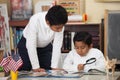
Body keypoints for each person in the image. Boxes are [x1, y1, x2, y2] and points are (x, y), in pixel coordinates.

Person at [17, 5, 68, 72]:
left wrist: (54, 67)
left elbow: (57, 46)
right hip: (26, 46)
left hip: (44, 46)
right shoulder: (35, 20)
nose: (60, 30)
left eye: (62, 27)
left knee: (47, 68)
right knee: (26, 68)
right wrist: (36, 67)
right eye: (57, 28)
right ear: (48, 22)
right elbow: (31, 45)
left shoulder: (59, 24)